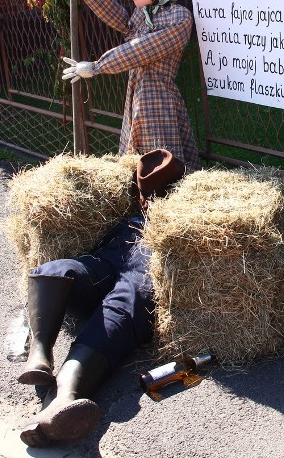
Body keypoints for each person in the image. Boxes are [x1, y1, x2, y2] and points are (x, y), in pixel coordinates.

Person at [17, 149, 186, 447]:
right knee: (59, 269)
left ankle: (60, 401)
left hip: (140, 274)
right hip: (105, 266)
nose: (146, 199)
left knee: (116, 313)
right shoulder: (130, 219)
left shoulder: (177, 228)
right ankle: (40, 354)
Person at [56, 0, 201, 169]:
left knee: (161, 164)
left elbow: (141, 50)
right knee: (134, 164)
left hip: (157, 101)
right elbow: (114, 14)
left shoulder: (179, 17)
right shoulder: (141, 15)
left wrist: (98, 66)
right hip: (135, 98)